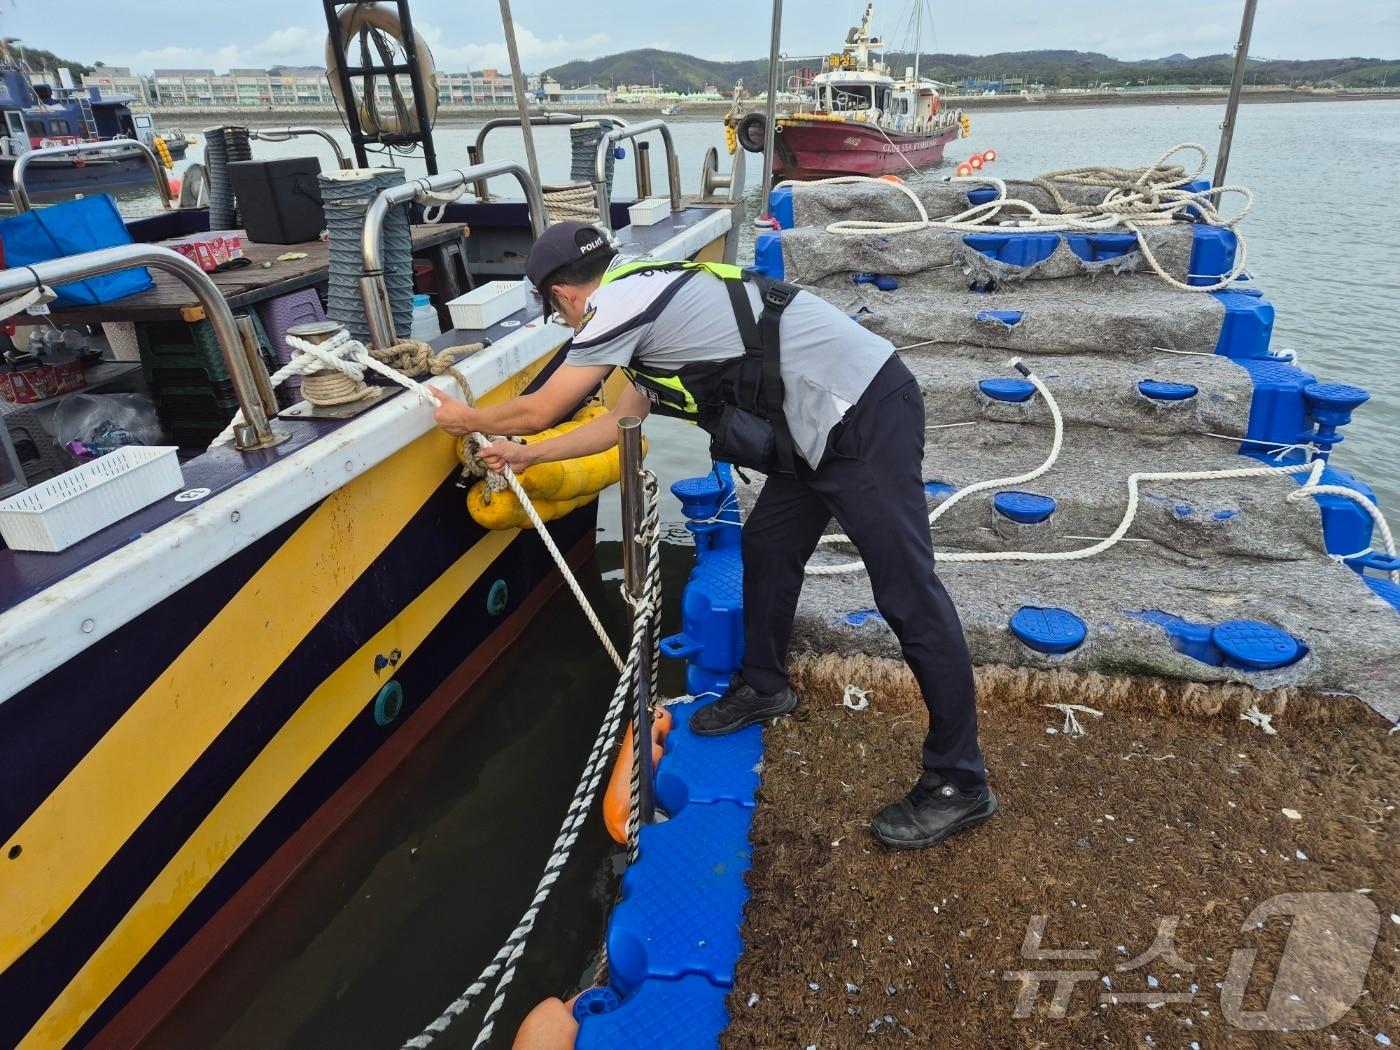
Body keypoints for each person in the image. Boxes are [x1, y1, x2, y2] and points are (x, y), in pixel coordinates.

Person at [426, 222, 994, 850]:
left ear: (561, 294)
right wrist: (528, 456)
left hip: (864, 414)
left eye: (554, 309)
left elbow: (542, 407)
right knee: (769, 548)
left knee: (907, 593)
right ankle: (765, 686)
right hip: (812, 429)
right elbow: (618, 421)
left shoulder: (620, 303)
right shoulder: (649, 304)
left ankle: (958, 780)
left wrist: (466, 418)